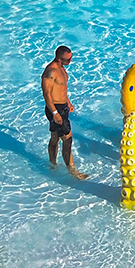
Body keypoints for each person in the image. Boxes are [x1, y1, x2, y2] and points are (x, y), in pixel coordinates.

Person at [41, 45, 88, 179]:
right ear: (59, 59)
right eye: (68, 59)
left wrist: (68, 102)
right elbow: (47, 94)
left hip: (62, 107)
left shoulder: (62, 68)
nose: (71, 61)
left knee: (55, 136)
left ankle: (52, 164)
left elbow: (61, 88)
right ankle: (72, 170)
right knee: (67, 138)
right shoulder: (50, 72)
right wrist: (55, 113)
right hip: (55, 109)